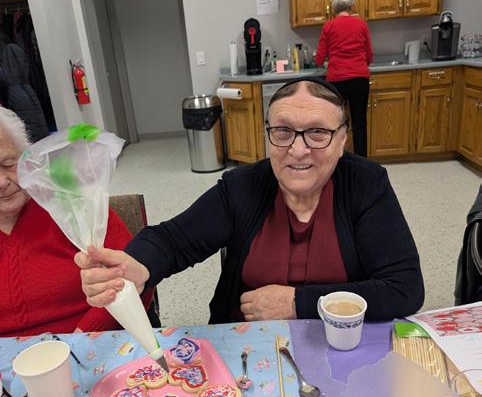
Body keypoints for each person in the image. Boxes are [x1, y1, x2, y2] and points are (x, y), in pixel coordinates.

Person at [75, 77, 424, 324]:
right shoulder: (242, 187)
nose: (298, 149)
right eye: (283, 131)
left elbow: (404, 288)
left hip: (340, 340)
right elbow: (173, 239)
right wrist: (139, 265)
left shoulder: (365, 183)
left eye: (318, 132)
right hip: (248, 347)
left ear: (343, 139)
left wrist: (297, 303)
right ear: (268, 135)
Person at [0, 107, 153, 338]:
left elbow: (134, 281)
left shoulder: (74, 205)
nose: (2, 182)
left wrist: (78, 341)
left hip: (88, 342)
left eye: (8, 163)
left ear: (26, 160)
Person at [315, 0, 373, 157]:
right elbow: (369, 55)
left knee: (336, 124)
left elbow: (319, 59)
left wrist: (325, 59)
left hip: (336, 82)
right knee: (359, 124)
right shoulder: (361, 25)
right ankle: (362, 161)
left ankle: (336, 158)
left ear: (333, 7)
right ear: (352, 5)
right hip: (359, 80)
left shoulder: (328, 26)